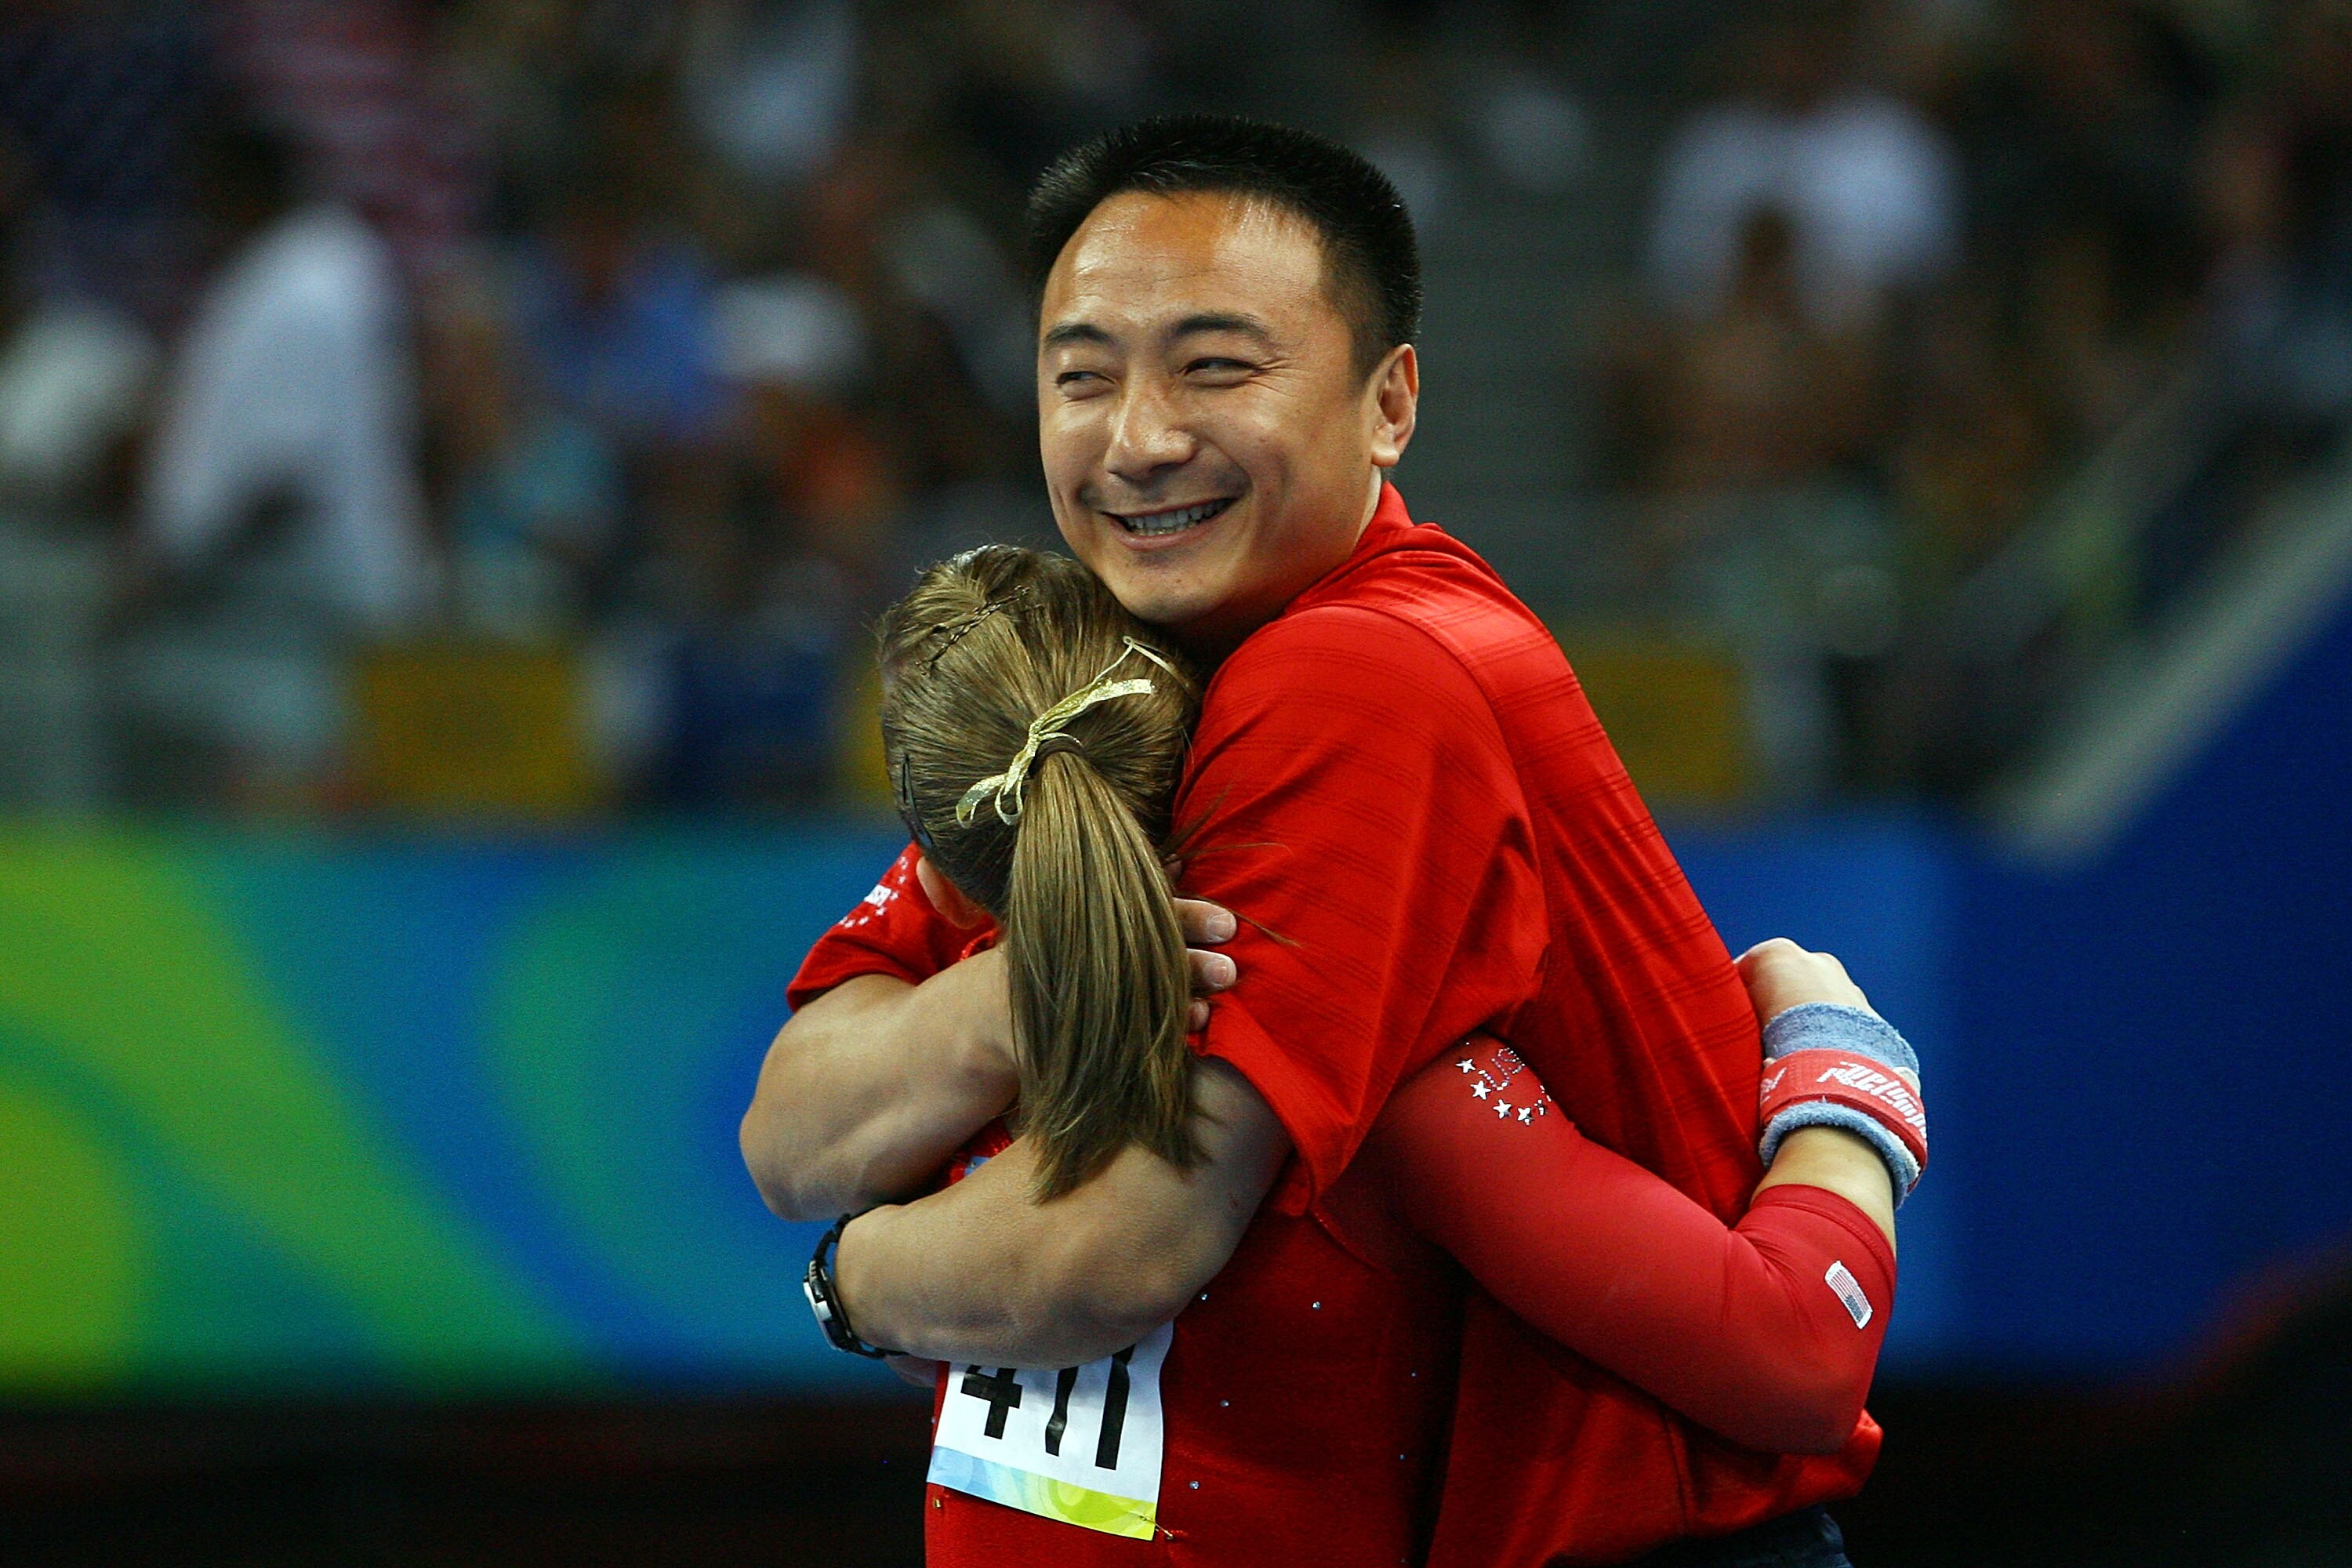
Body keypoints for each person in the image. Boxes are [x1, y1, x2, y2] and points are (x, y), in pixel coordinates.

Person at [742, 115, 1902, 1565]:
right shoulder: (1104, 683)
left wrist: (845, 1283)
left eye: (1216, 366)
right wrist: (1016, 990)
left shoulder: (1359, 679)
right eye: (1081, 378)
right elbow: (792, 1126)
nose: (1140, 437)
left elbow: (1113, 1251)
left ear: (1389, 403)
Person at [842, 541, 1917, 1484]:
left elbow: (791, 1154)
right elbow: (1802, 1353)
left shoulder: (919, 1135)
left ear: (935, 878)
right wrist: (1848, 1064)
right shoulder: (1407, 1096)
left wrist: (843, 1278)